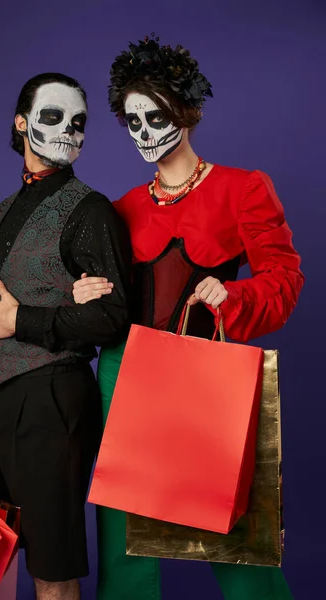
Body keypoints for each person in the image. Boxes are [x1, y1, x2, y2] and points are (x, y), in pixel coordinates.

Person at [72, 36, 304, 600]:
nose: (145, 132)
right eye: (132, 121)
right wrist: (85, 292)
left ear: (186, 109)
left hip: (206, 376)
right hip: (124, 374)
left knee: (233, 530)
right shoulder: (121, 207)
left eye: (155, 114)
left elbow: (285, 278)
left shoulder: (242, 188)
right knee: (123, 535)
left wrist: (233, 294)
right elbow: (109, 301)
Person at [0, 72, 131, 600]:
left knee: (52, 565)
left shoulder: (92, 211)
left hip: (55, 398)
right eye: (54, 117)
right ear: (22, 122)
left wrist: (23, 320)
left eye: (79, 122)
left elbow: (114, 317)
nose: (69, 131)